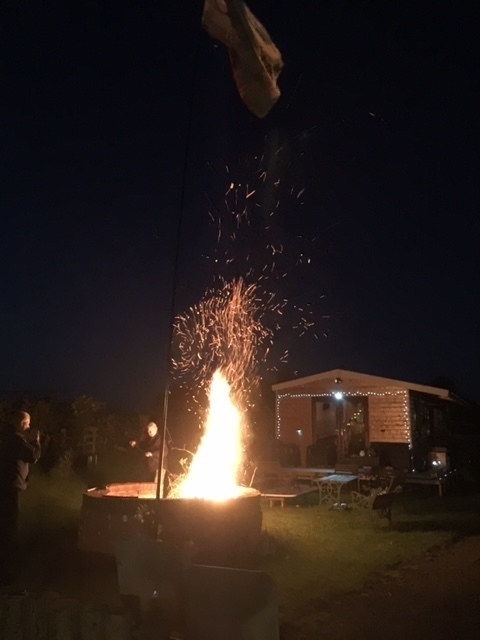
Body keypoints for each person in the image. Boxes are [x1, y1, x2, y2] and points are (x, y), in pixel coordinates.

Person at [0, 411, 42, 587]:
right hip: (10, 488)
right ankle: (7, 575)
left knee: (5, 528)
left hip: (4, 487)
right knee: (8, 530)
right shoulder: (15, 439)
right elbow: (33, 456)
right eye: (28, 424)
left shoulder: (6, 436)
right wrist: (35, 441)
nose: (29, 427)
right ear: (22, 423)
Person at [129, 422, 168, 487]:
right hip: (151, 468)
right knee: (150, 487)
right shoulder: (148, 439)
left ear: (156, 429)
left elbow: (165, 451)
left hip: (159, 466)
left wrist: (152, 454)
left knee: (156, 486)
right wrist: (135, 443)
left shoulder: (160, 439)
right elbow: (142, 445)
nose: (149, 432)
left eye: (151, 431)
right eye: (148, 431)